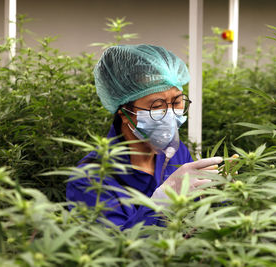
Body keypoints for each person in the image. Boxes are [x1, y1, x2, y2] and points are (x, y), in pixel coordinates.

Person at [66, 44, 222, 229]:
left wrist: (218, 196)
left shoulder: (176, 152)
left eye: (177, 101)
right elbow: (114, 249)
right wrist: (162, 202)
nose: (170, 114)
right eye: (157, 106)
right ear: (124, 113)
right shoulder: (90, 179)